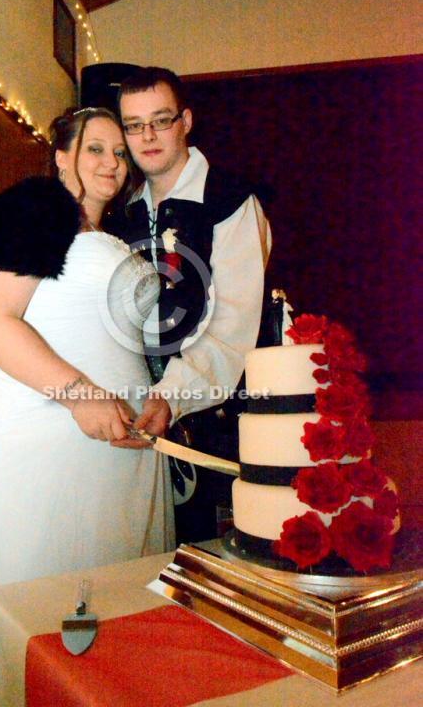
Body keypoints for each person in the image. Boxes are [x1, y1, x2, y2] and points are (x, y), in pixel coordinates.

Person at [0, 107, 174, 707]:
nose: (112, 163)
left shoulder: (114, 236)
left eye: (120, 153)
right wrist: (81, 395)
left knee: (104, 610)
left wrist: (154, 398)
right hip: (38, 439)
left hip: (117, 448)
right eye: (95, 148)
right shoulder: (35, 211)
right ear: (61, 156)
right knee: (35, 602)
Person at [110, 67, 272, 543]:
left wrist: (172, 395)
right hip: (135, 415)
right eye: (134, 125)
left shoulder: (230, 201)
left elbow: (234, 323)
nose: (148, 136)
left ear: (185, 121)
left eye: (160, 120)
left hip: (217, 414)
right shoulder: (121, 210)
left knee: (211, 553)